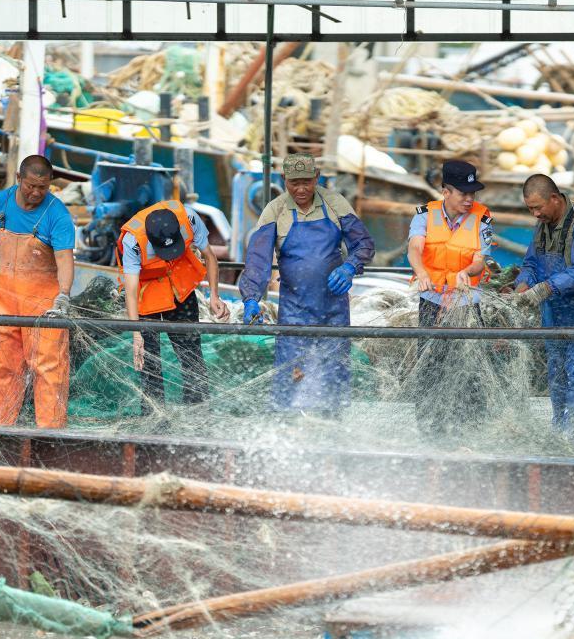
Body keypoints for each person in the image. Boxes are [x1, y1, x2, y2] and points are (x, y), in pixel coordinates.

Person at [238, 153, 375, 414]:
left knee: (334, 370)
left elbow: (364, 244)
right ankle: (286, 426)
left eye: (307, 182)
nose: (301, 189)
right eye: (294, 183)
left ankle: (331, 424)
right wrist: (251, 298)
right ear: (284, 180)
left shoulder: (335, 204)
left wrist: (349, 267)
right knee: (291, 373)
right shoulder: (275, 211)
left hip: (333, 307)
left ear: (317, 178)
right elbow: (258, 259)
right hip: (294, 310)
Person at [0, 155, 75, 428]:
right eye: (30, 186)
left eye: (43, 187)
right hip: (5, 300)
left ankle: (50, 433)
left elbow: (64, 258)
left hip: (43, 304)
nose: (36, 192)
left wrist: (63, 295)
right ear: (18, 179)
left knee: (49, 368)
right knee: (0, 364)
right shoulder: (1, 201)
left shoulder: (58, 214)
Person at [512, 174, 574, 443]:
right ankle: (559, 432)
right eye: (530, 209)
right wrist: (522, 286)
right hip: (554, 313)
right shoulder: (543, 224)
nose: (535, 213)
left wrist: (544, 289)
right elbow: (531, 262)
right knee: (557, 373)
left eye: (538, 207)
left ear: (555, 198)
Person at [406, 159, 494, 437]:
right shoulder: (423, 215)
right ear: (446, 192)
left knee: (470, 366)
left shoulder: (483, 218)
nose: (469, 200)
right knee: (430, 364)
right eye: (463, 193)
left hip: (468, 304)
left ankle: (469, 427)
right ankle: (430, 427)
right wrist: (420, 272)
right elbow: (414, 248)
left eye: (473, 194)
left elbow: (480, 259)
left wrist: (467, 272)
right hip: (432, 302)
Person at [117, 199, 229, 413]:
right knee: (148, 360)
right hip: (146, 292)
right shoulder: (133, 240)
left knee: (191, 353)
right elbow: (130, 291)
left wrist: (215, 295)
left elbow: (210, 256)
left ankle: (198, 411)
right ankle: (153, 416)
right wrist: (136, 333)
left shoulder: (189, 218)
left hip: (180, 283)